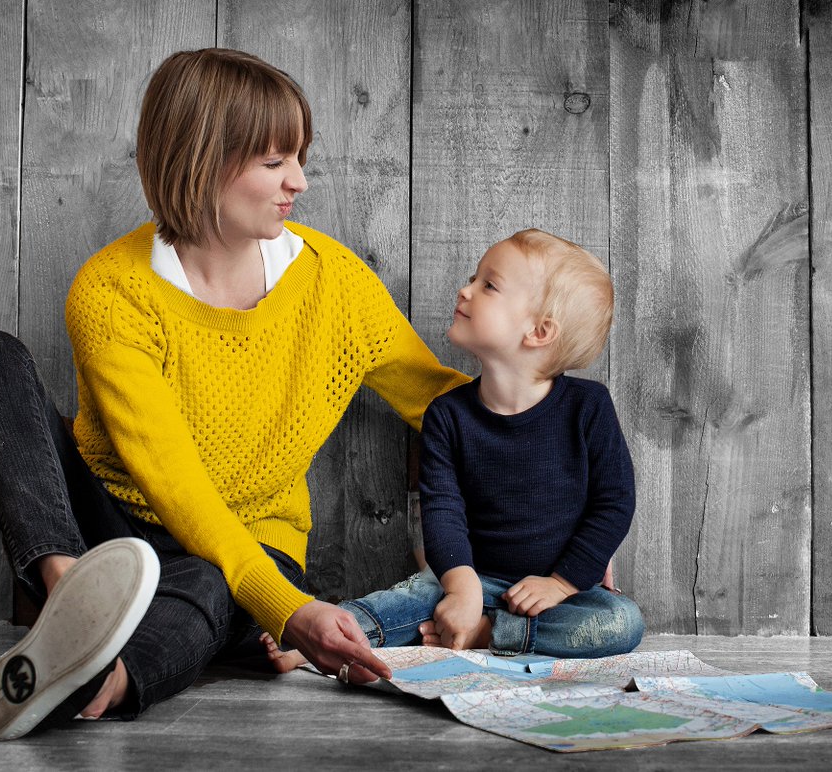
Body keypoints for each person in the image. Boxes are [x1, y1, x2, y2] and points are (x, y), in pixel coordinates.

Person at [0, 48, 469, 740]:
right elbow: (174, 481)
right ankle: (71, 592)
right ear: (203, 160)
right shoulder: (111, 290)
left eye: (298, 158)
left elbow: (446, 404)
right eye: (275, 162)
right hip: (109, 527)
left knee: (218, 580)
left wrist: (571, 451)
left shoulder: (334, 282)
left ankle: (101, 675)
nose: (299, 182)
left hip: (250, 543)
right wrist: (289, 612)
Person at [266, 228, 644, 668]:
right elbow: (443, 509)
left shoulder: (588, 407)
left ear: (539, 331)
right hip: (469, 577)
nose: (465, 290)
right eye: (473, 278)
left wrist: (562, 583)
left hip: (556, 591)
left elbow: (615, 502)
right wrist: (462, 588)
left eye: (489, 285)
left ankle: (488, 633)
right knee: (409, 598)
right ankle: (324, 636)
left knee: (622, 621)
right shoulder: (448, 414)